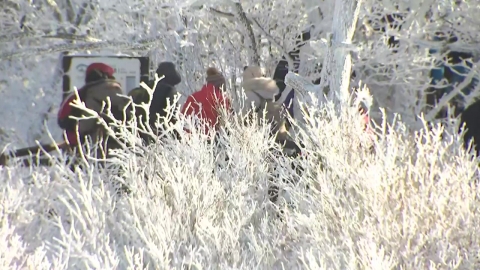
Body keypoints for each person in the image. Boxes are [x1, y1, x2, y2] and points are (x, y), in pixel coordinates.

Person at [57, 62, 130, 155]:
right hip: (117, 149)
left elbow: (64, 120)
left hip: (85, 150)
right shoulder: (119, 95)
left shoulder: (79, 95)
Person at [128, 61, 182, 142]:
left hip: (140, 133)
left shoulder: (145, 88)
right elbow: (172, 116)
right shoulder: (169, 91)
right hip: (161, 134)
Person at [180, 67, 230, 140]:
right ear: (221, 86)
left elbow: (183, 118)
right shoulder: (221, 99)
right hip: (213, 140)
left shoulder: (193, 97)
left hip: (192, 139)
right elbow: (227, 123)